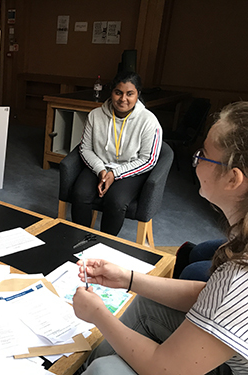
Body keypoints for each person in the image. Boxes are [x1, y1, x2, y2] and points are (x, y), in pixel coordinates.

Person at [73, 101, 248, 375]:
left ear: (233, 179)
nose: (197, 160)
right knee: (145, 302)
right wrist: (128, 279)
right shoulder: (242, 237)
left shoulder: (239, 280)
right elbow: (208, 295)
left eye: (203, 155)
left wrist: (98, 314)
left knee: (106, 371)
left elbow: (164, 369)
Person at [71, 71, 162, 236]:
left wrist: (116, 173)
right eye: (118, 92)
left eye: (130, 94)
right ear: (111, 92)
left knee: (116, 201)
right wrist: (101, 170)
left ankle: (105, 244)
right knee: (80, 194)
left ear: (138, 95)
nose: (123, 99)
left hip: (130, 169)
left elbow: (148, 159)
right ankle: (80, 240)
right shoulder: (95, 115)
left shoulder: (149, 121)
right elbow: (85, 148)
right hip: (100, 165)